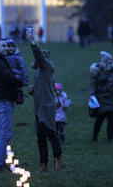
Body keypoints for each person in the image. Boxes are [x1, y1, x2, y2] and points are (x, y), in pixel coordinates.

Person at [26, 30, 67, 173]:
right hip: (39, 107)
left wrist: (32, 41)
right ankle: (43, 165)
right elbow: (44, 88)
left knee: (51, 134)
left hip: (46, 107)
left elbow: (37, 54)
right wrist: (33, 90)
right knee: (41, 138)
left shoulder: (46, 67)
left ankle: (59, 160)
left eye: (39, 58)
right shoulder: (39, 72)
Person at [0, 39, 23, 172]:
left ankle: (0, 163)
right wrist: (21, 81)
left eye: (7, 46)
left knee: (4, 133)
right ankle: (0, 164)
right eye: (3, 46)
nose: (6, 48)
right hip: (2, 101)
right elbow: (9, 78)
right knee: (5, 134)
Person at [90, 51, 113, 142]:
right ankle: (95, 136)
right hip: (101, 98)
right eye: (108, 60)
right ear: (104, 61)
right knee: (100, 119)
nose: (110, 61)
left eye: (111, 60)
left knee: (112, 119)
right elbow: (93, 85)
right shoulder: (97, 71)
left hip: (112, 98)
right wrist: (92, 96)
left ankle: (110, 137)